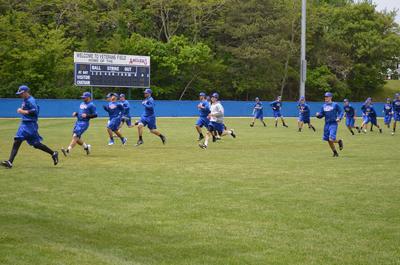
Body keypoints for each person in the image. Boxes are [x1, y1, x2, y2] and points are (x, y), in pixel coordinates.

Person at [1, 85, 59, 168]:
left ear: (26, 92)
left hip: (30, 125)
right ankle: (53, 153)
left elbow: (34, 111)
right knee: (28, 143)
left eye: (21, 93)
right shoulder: (25, 99)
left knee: (28, 143)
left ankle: (10, 162)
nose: (20, 95)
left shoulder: (31, 100)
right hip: (25, 124)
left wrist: (22, 111)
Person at [61, 92, 97, 156]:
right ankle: (86, 147)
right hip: (78, 122)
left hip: (84, 123)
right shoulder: (82, 103)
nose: (83, 98)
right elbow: (81, 112)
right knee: (76, 138)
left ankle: (67, 151)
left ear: (88, 97)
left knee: (75, 136)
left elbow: (95, 115)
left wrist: (87, 116)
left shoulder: (92, 105)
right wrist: (76, 113)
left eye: (84, 97)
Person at [316, 92, 344, 157]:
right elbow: (321, 115)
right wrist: (318, 115)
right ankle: (335, 152)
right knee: (328, 140)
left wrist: (339, 118)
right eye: (325, 97)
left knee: (331, 138)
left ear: (331, 97)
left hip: (333, 124)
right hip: (326, 124)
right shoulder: (323, 106)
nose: (326, 98)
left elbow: (341, 112)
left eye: (327, 97)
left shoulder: (335, 104)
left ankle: (339, 141)